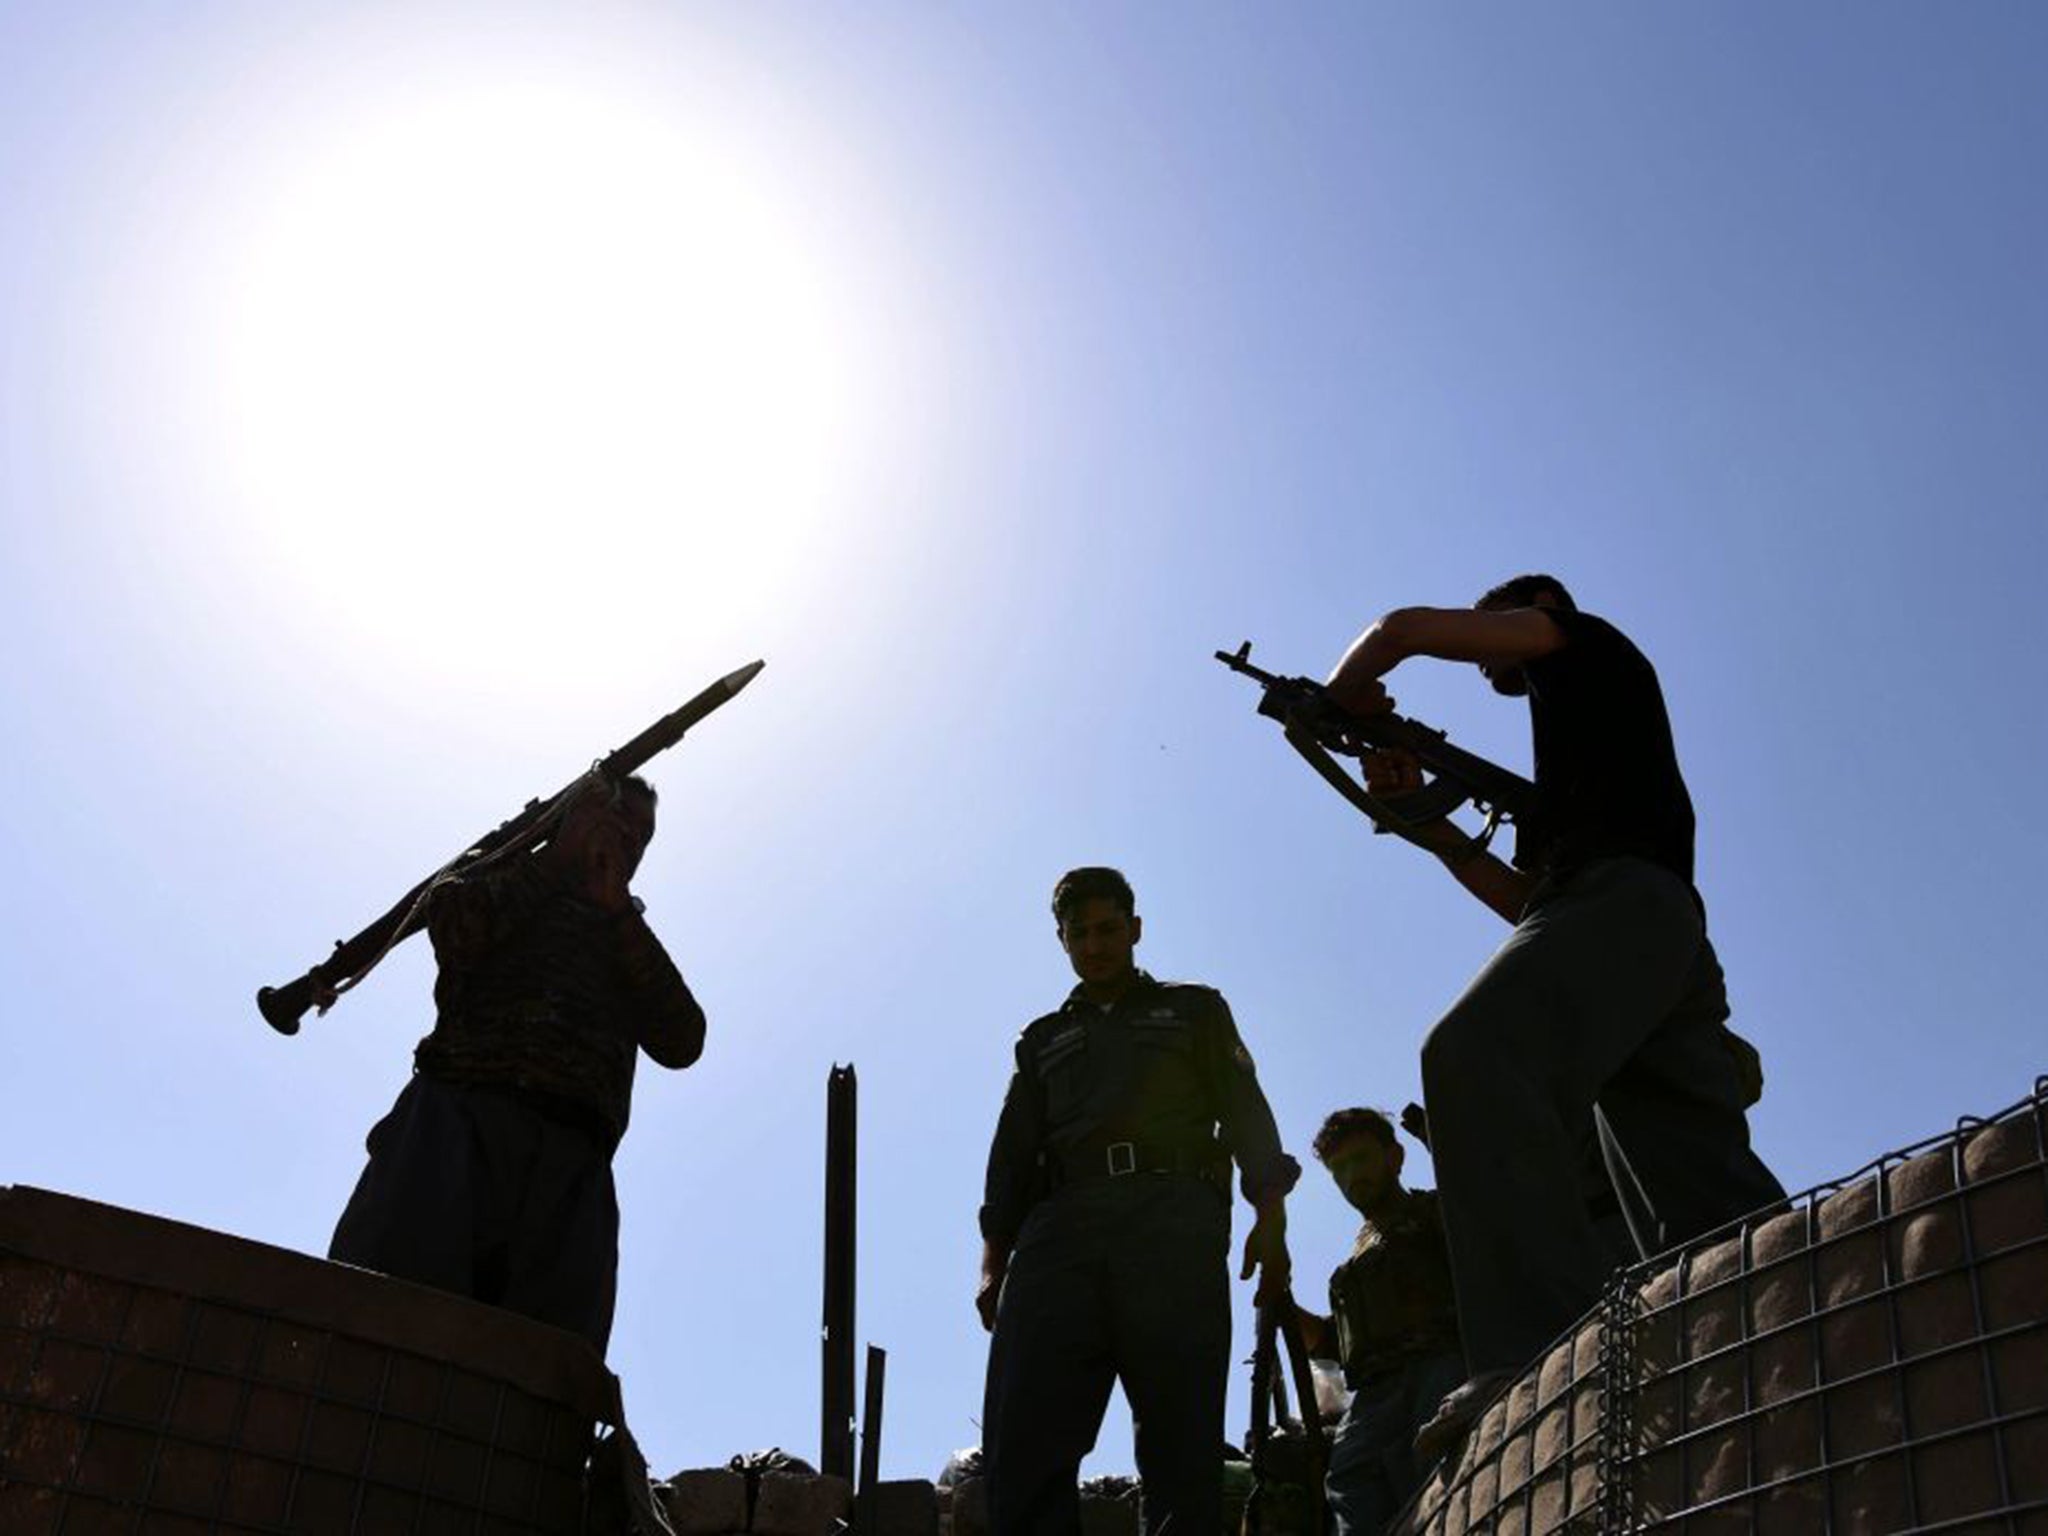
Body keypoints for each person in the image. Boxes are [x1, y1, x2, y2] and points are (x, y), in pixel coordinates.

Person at [1322, 575, 1784, 1455]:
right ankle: (1782, 1303)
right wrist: (1424, 817)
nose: (1487, 653)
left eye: (1497, 626)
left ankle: (1537, 1350)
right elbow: (1530, 903)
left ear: (1530, 611)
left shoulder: (1587, 642)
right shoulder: (1576, 771)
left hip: (1626, 907)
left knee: (1470, 1056)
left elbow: (1403, 627)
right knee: (1682, 1172)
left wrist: (1344, 695)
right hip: (1645, 931)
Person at [328, 774, 706, 1353]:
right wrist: (556, 860)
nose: (628, 838)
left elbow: (683, 1039)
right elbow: (456, 925)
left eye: (642, 835)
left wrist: (620, 917)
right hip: (453, 1126)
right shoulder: (498, 877)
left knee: (541, 1363)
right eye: (616, 819)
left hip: (572, 1164)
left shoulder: (626, 933)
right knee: (386, 1327)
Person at [978, 867, 1299, 1536]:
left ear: (1135, 930)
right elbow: (1010, 1158)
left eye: (1107, 930)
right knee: (1027, 1437)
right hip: (1060, 1233)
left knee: (1182, 1441)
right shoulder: (1040, 1040)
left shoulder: (1194, 1009)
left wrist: (1272, 1221)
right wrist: (993, 1263)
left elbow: (1247, 1113)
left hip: (1172, 1221)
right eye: (1078, 934)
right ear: (1061, 941)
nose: (1094, 946)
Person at [1294, 1108, 1463, 1536]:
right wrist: (1287, 1310)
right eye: (1339, 1169)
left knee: (1441, 1476)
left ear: (1395, 1158)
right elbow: (1339, 1341)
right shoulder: (1356, 1258)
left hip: (1439, 1366)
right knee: (1350, 1482)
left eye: (1360, 1160)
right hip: (1373, 1393)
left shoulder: (1434, 1212)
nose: (1351, 1177)